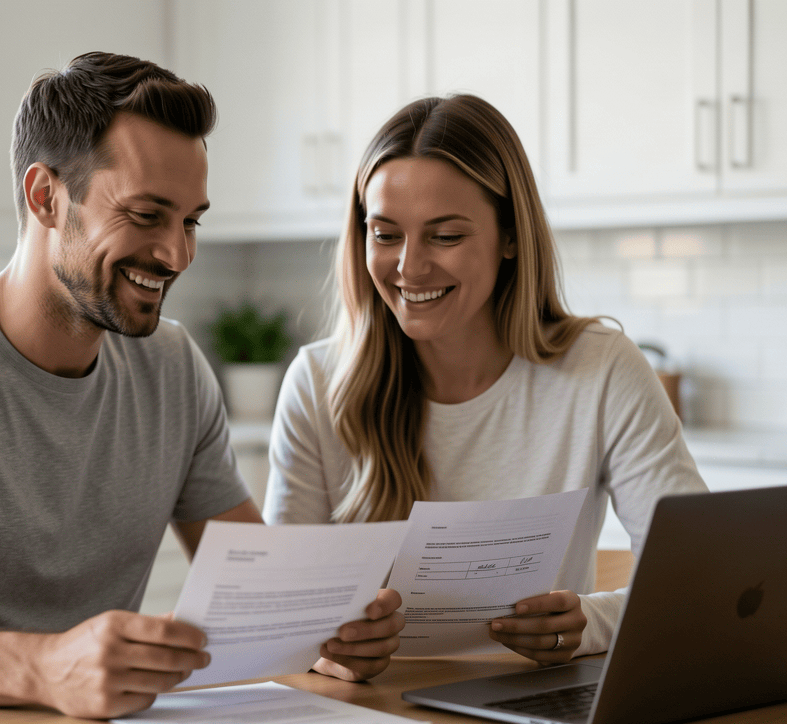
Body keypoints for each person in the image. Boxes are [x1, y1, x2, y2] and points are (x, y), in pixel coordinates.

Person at [0, 52, 403, 721]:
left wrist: (327, 630)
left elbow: (260, 586)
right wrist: (44, 669)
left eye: (190, 221)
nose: (176, 254)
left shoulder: (173, 368)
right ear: (45, 196)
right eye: (145, 215)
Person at [263, 94, 707, 662]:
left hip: (535, 712)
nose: (409, 267)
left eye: (445, 236)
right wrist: (329, 647)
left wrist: (588, 623)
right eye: (385, 234)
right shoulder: (316, 383)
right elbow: (283, 619)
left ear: (512, 237)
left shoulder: (601, 370)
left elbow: (693, 577)